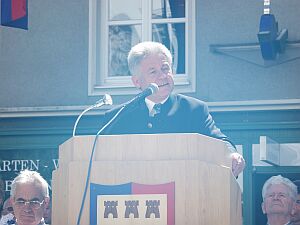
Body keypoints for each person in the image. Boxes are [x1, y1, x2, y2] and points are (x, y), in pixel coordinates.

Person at [102, 41, 245, 177]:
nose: (163, 76)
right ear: (137, 81)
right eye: (153, 72)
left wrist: (232, 154)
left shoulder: (194, 110)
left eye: (165, 69)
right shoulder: (117, 117)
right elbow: (102, 161)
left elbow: (221, 142)